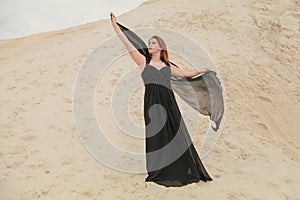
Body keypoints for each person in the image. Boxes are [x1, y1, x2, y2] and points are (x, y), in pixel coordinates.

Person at [110, 12, 213, 187]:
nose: (150, 45)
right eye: (149, 43)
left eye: (153, 43)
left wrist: (201, 70)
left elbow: (185, 74)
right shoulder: (143, 62)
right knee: (156, 133)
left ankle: (179, 165)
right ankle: (159, 169)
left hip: (169, 101)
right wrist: (115, 26)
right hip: (151, 102)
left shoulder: (168, 66)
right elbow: (127, 43)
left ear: (161, 48)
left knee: (174, 132)